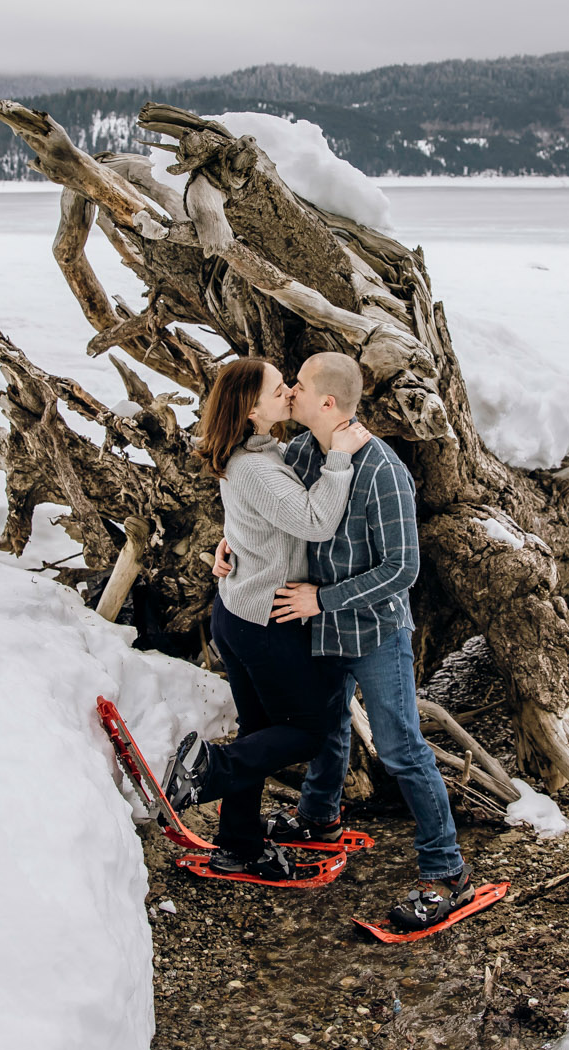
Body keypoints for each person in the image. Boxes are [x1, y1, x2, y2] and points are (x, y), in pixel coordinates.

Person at [217, 351, 472, 931]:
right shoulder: (303, 451)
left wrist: (324, 599)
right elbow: (264, 510)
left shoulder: (382, 470)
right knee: (329, 727)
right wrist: (229, 546)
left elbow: (402, 569)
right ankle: (319, 818)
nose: (289, 393)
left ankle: (446, 870)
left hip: (374, 632)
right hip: (317, 627)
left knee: (401, 745)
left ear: (326, 402)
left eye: (298, 386)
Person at [163, 357, 372, 881]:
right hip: (265, 621)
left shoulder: (255, 452)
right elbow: (316, 521)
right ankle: (211, 768)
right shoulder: (255, 466)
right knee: (312, 727)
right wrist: (340, 459)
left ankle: (238, 843)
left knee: (260, 728)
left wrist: (230, 543)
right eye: (280, 388)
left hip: (238, 612)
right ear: (250, 408)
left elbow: (254, 515)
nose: (289, 392)